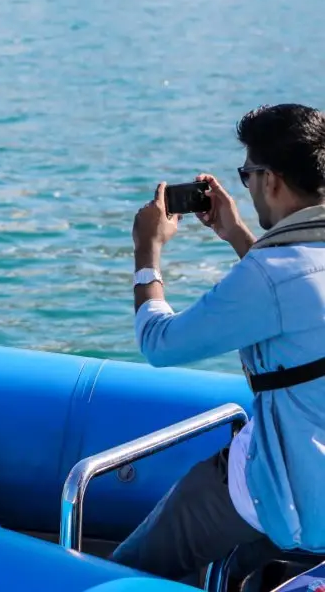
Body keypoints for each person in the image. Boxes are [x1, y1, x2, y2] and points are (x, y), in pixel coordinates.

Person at [113, 103, 325, 583]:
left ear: (271, 179)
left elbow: (160, 344)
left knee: (128, 571)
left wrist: (147, 251)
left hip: (285, 492)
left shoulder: (270, 274)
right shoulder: (295, 263)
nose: (247, 187)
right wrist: (235, 233)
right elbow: (299, 301)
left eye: (248, 174)